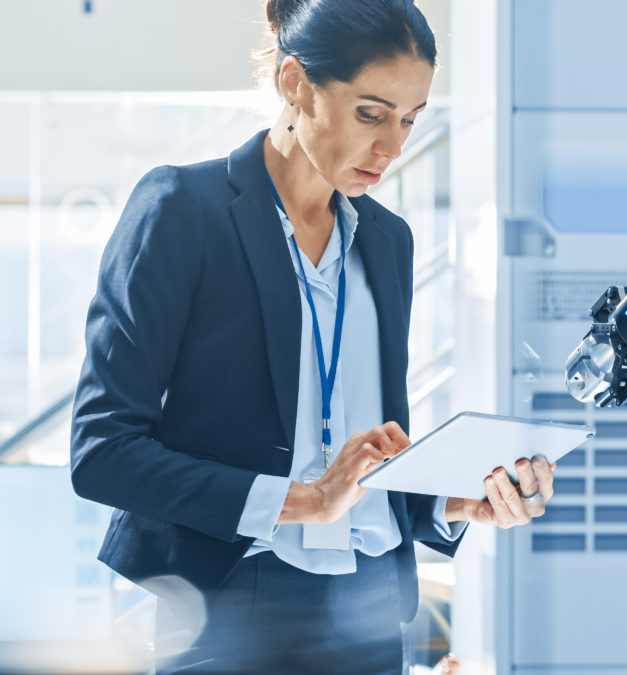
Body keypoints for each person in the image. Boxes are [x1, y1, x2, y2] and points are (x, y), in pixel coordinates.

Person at [69, 1, 557, 672]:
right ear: (295, 84)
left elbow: (369, 452)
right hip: (235, 597)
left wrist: (452, 499)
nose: (392, 147)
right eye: (371, 113)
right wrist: (306, 500)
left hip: (375, 603)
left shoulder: (388, 241)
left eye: (411, 120)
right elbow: (102, 449)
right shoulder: (183, 211)